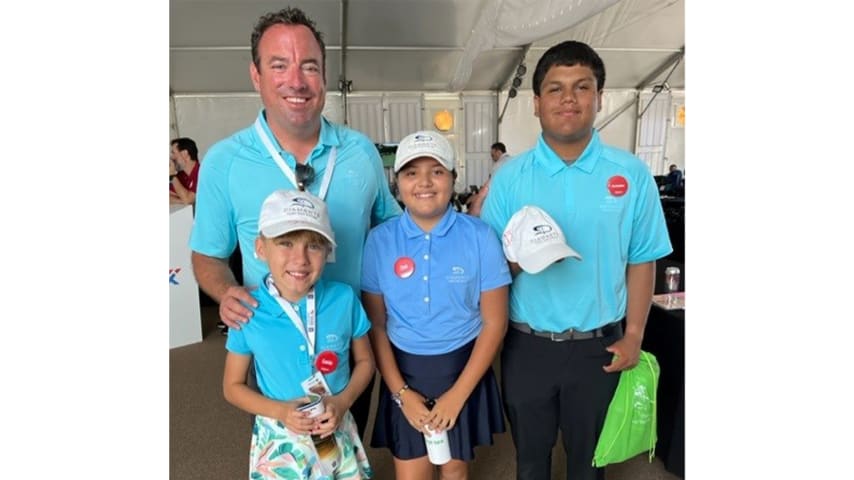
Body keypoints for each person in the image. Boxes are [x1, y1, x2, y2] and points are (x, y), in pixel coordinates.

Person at [189, 6, 402, 437]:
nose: (296, 81)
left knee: (348, 453)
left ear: (324, 76)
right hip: (276, 357)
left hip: (349, 343)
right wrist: (225, 291)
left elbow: (394, 231)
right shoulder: (225, 162)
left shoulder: (359, 152)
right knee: (287, 458)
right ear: (256, 75)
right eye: (279, 65)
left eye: (309, 66)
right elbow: (207, 254)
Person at [480, 40, 673, 480]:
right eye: (555, 88)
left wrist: (635, 336)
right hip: (526, 345)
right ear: (536, 103)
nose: (568, 98)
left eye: (582, 87)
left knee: (590, 466)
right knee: (530, 461)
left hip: (600, 347)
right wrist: (519, 256)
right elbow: (490, 268)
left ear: (599, 97)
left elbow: (642, 260)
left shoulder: (631, 174)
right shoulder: (510, 177)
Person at [361, 131, 511, 479]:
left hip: (463, 368)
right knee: (412, 473)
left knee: (455, 469)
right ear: (397, 183)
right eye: (411, 173)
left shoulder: (480, 237)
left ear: (453, 179)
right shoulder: (380, 241)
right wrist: (401, 393)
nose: (424, 182)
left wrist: (458, 396)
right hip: (404, 370)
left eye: (437, 171)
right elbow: (377, 325)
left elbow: (494, 323)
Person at [223, 189, 374, 479]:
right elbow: (232, 386)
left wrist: (343, 402)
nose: (300, 258)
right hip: (279, 440)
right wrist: (280, 411)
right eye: (285, 243)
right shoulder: (246, 311)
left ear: (328, 251)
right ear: (260, 248)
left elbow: (366, 362)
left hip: (335, 425)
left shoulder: (343, 298)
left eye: (314, 246)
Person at [465, 142, 511, 217]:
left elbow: (490, 185)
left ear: (498, 152)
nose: (492, 158)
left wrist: (477, 196)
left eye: (492, 155)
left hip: (500, 198)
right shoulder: (514, 161)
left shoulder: (498, 164)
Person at [169, 137, 200, 205]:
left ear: (185, 153)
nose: (171, 158)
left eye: (173, 153)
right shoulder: (182, 175)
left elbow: (188, 199)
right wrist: (182, 200)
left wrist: (172, 176)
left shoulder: (200, 172)